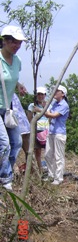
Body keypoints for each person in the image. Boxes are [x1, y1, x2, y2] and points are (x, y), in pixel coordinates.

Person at [0, 25, 27, 191]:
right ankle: (5, 178)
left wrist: (18, 85)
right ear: (4, 41)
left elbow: (10, 77)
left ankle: (4, 170)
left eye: (19, 43)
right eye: (14, 42)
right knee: (4, 144)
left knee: (17, 142)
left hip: (7, 109)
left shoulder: (17, 61)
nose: (17, 46)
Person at [44, 85, 69, 185]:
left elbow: (52, 115)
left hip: (59, 133)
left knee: (59, 156)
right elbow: (49, 112)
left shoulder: (64, 105)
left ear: (62, 94)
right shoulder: (55, 103)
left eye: (57, 91)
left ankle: (58, 178)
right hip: (52, 132)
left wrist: (41, 110)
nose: (54, 92)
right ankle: (51, 175)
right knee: (48, 155)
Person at [27, 86, 51, 173]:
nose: (40, 96)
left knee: (48, 151)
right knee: (37, 151)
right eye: (39, 94)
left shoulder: (48, 105)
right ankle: (40, 169)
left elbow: (50, 117)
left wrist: (40, 110)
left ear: (45, 95)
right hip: (36, 130)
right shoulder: (32, 106)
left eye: (42, 94)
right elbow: (29, 118)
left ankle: (49, 168)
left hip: (46, 130)